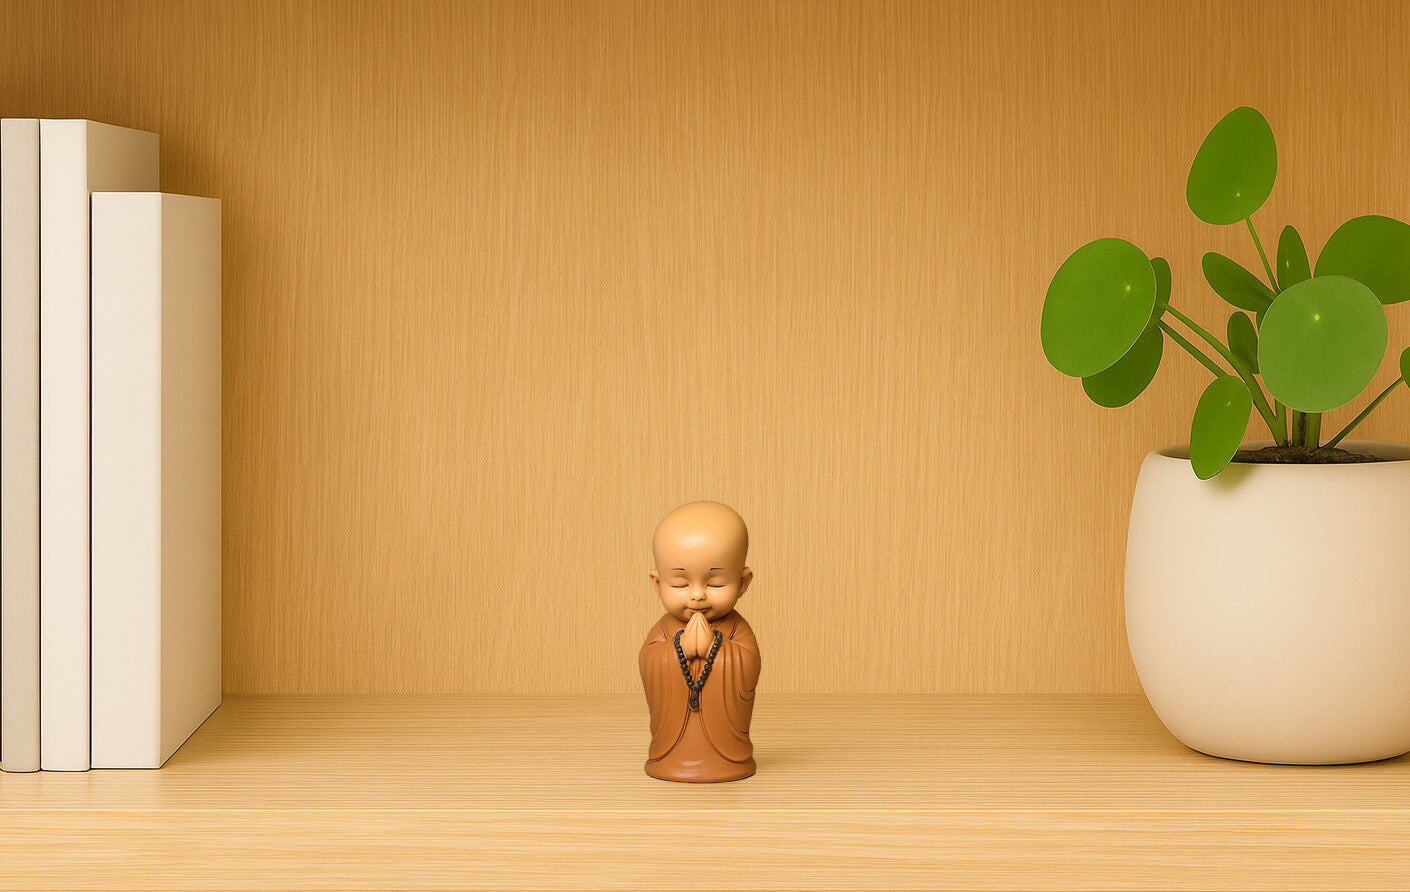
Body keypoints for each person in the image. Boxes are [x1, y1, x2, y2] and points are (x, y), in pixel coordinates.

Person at [639, 501, 760, 782]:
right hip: (673, 745)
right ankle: (672, 757)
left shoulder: (736, 629)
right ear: (657, 584)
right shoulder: (664, 629)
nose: (697, 595)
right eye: (681, 584)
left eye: (715, 583)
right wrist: (676, 650)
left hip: (725, 747)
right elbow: (648, 663)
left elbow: (749, 666)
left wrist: (715, 650)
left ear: (743, 583)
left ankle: (722, 761)